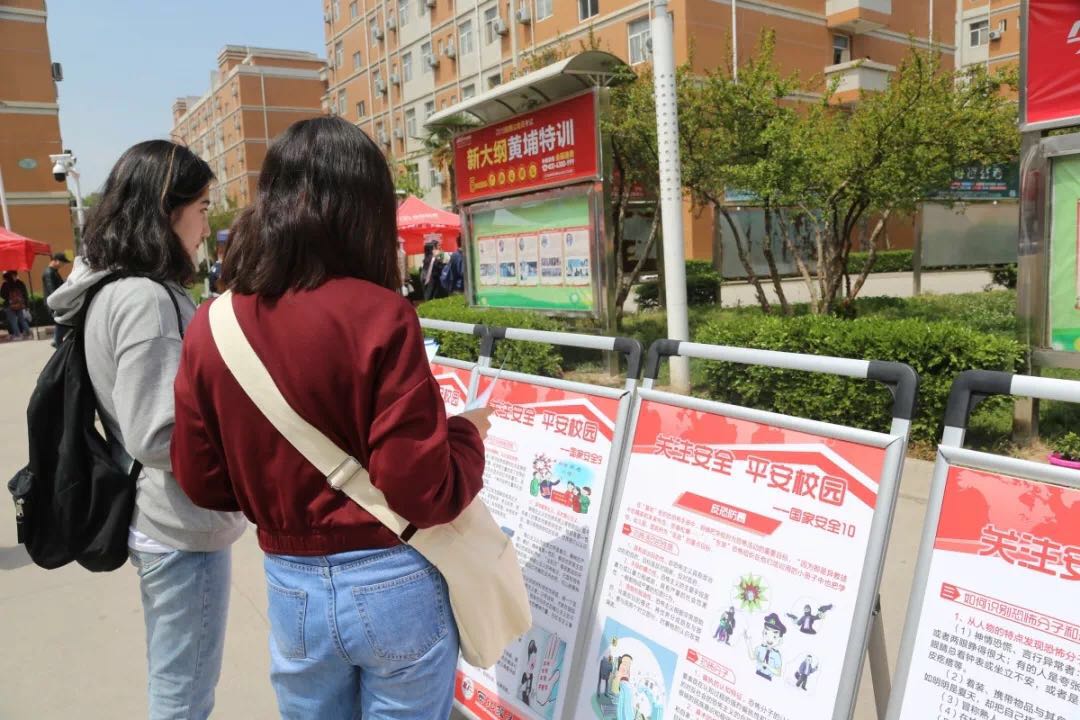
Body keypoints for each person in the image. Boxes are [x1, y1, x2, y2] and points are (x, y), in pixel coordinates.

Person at [170, 117, 492, 719]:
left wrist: (278, 487)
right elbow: (422, 490)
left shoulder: (211, 326)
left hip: (291, 586)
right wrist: (467, 437)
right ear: (364, 209)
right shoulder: (381, 315)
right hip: (395, 579)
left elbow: (203, 481)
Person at [46, 140, 246, 720]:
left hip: (161, 517)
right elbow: (158, 434)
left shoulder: (113, 288)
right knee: (183, 693)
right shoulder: (146, 301)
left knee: (178, 682)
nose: (206, 225)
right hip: (178, 525)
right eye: (202, 208)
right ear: (166, 210)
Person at [43, 252, 69, 347]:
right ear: (56, 261)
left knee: (61, 324)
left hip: (56, 302)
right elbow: (52, 290)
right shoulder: (49, 273)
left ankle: (56, 342)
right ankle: (58, 345)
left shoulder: (53, 272)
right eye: (63, 263)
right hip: (54, 303)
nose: (63, 265)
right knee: (61, 323)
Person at [1, 270, 31, 340]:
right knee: (22, 320)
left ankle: (18, 335)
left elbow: (2, 295)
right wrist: (26, 304)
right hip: (19, 304)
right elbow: (25, 294)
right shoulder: (20, 283)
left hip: (9, 305)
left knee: (13, 321)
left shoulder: (5, 284)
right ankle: (28, 333)